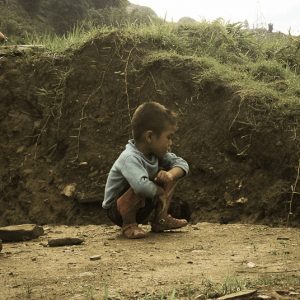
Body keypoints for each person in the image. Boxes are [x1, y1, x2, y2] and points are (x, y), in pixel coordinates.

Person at [102, 101, 189, 239]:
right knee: (140, 182)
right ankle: (129, 224)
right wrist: (160, 191)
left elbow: (182, 164)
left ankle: (160, 220)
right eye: (169, 137)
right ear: (149, 137)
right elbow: (141, 187)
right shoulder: (129, 157)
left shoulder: (157, 154)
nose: (171, 143)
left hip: (143, 205)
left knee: (170, 173)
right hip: (117, 210)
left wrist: (170, 175)